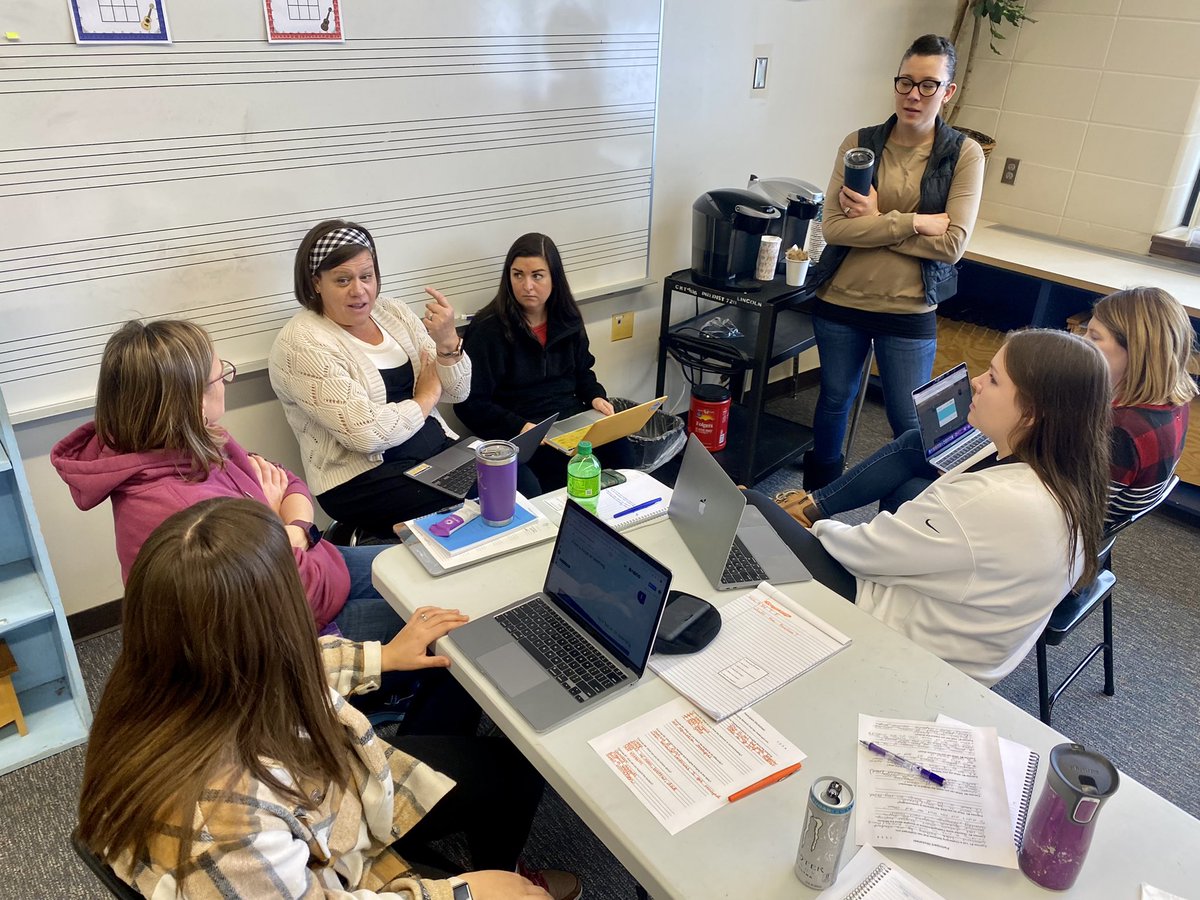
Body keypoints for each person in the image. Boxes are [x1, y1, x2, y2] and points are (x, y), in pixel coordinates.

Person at [77, 498, 580, 900]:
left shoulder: (161, 682)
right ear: (274, 623)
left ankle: (501, 871)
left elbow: (302, 665)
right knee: (508, 787)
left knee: (511, 768)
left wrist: (381, 656)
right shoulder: (229, 826)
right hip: (334, 865)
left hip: (325, 815)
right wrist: (463, 893)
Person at [52, 319, 480, 734]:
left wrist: (285, 527)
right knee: (449, 622)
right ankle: (409, 730)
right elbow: (295, 600)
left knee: (424, 564)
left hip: (302, 567)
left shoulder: (195, 439)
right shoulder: (179, 506)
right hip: (286, 630)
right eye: (220, 376)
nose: (227, 382)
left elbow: (287, 482)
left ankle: (389, 691)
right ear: (190, 398)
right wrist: (287, 530)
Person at [746, 329, 1111, 687]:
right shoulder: (1072, 476)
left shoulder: (990, 500)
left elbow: (864, 554)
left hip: (910, 648)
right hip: (973, 645)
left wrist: (817, 530)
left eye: (995, 380)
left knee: (750, 504)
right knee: (905, 476)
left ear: (1032, 414)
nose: (977, 382)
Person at [776, 287, 1196, 530]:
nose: (1083, 342)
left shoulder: (1123, 433)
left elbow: (1062, 505)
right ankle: (818, 513)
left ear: (1136, 351)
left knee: (910, 484)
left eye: (1095, 337)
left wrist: (990, 450)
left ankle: (835, 532)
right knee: (922, 443)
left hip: (1054, 531)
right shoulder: (1163, 400)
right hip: (1048, 491)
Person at [804, 33, 985, 490]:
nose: (913, 95)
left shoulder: (963, 153)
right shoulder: (859, 143)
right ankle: (812, 502)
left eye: (928, 84)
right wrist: (915, 223)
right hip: (840, 298)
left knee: (909, 420)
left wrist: (879, 219)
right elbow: (836, 229)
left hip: (909, 309)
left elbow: (952, 245)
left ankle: (906, 512)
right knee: (833, 400)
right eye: (906, 81)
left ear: (948, 92)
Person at [269, 219, 473, 540]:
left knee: (517, 477)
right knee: (473, 503)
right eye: (342, 280)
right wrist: (424, 399)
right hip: (361, 477)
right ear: (316, 283)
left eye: (367, 276)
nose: (359, 290)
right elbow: (366, 435)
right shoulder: (302, 343)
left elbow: (459, 392)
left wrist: (448, 343)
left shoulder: (393, 312)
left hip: (431, 450)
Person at [455, 232, 634, 493]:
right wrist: (520, 427)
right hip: (520, 431)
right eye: (518, 275)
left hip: (569, 420)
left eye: (537, 276)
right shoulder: (488, 328)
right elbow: (470, 403)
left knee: (622, 453)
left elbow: (583, 371)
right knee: (557, 476)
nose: (527, 285)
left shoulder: (567, 317)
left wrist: (596, 396)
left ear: (554, 278)